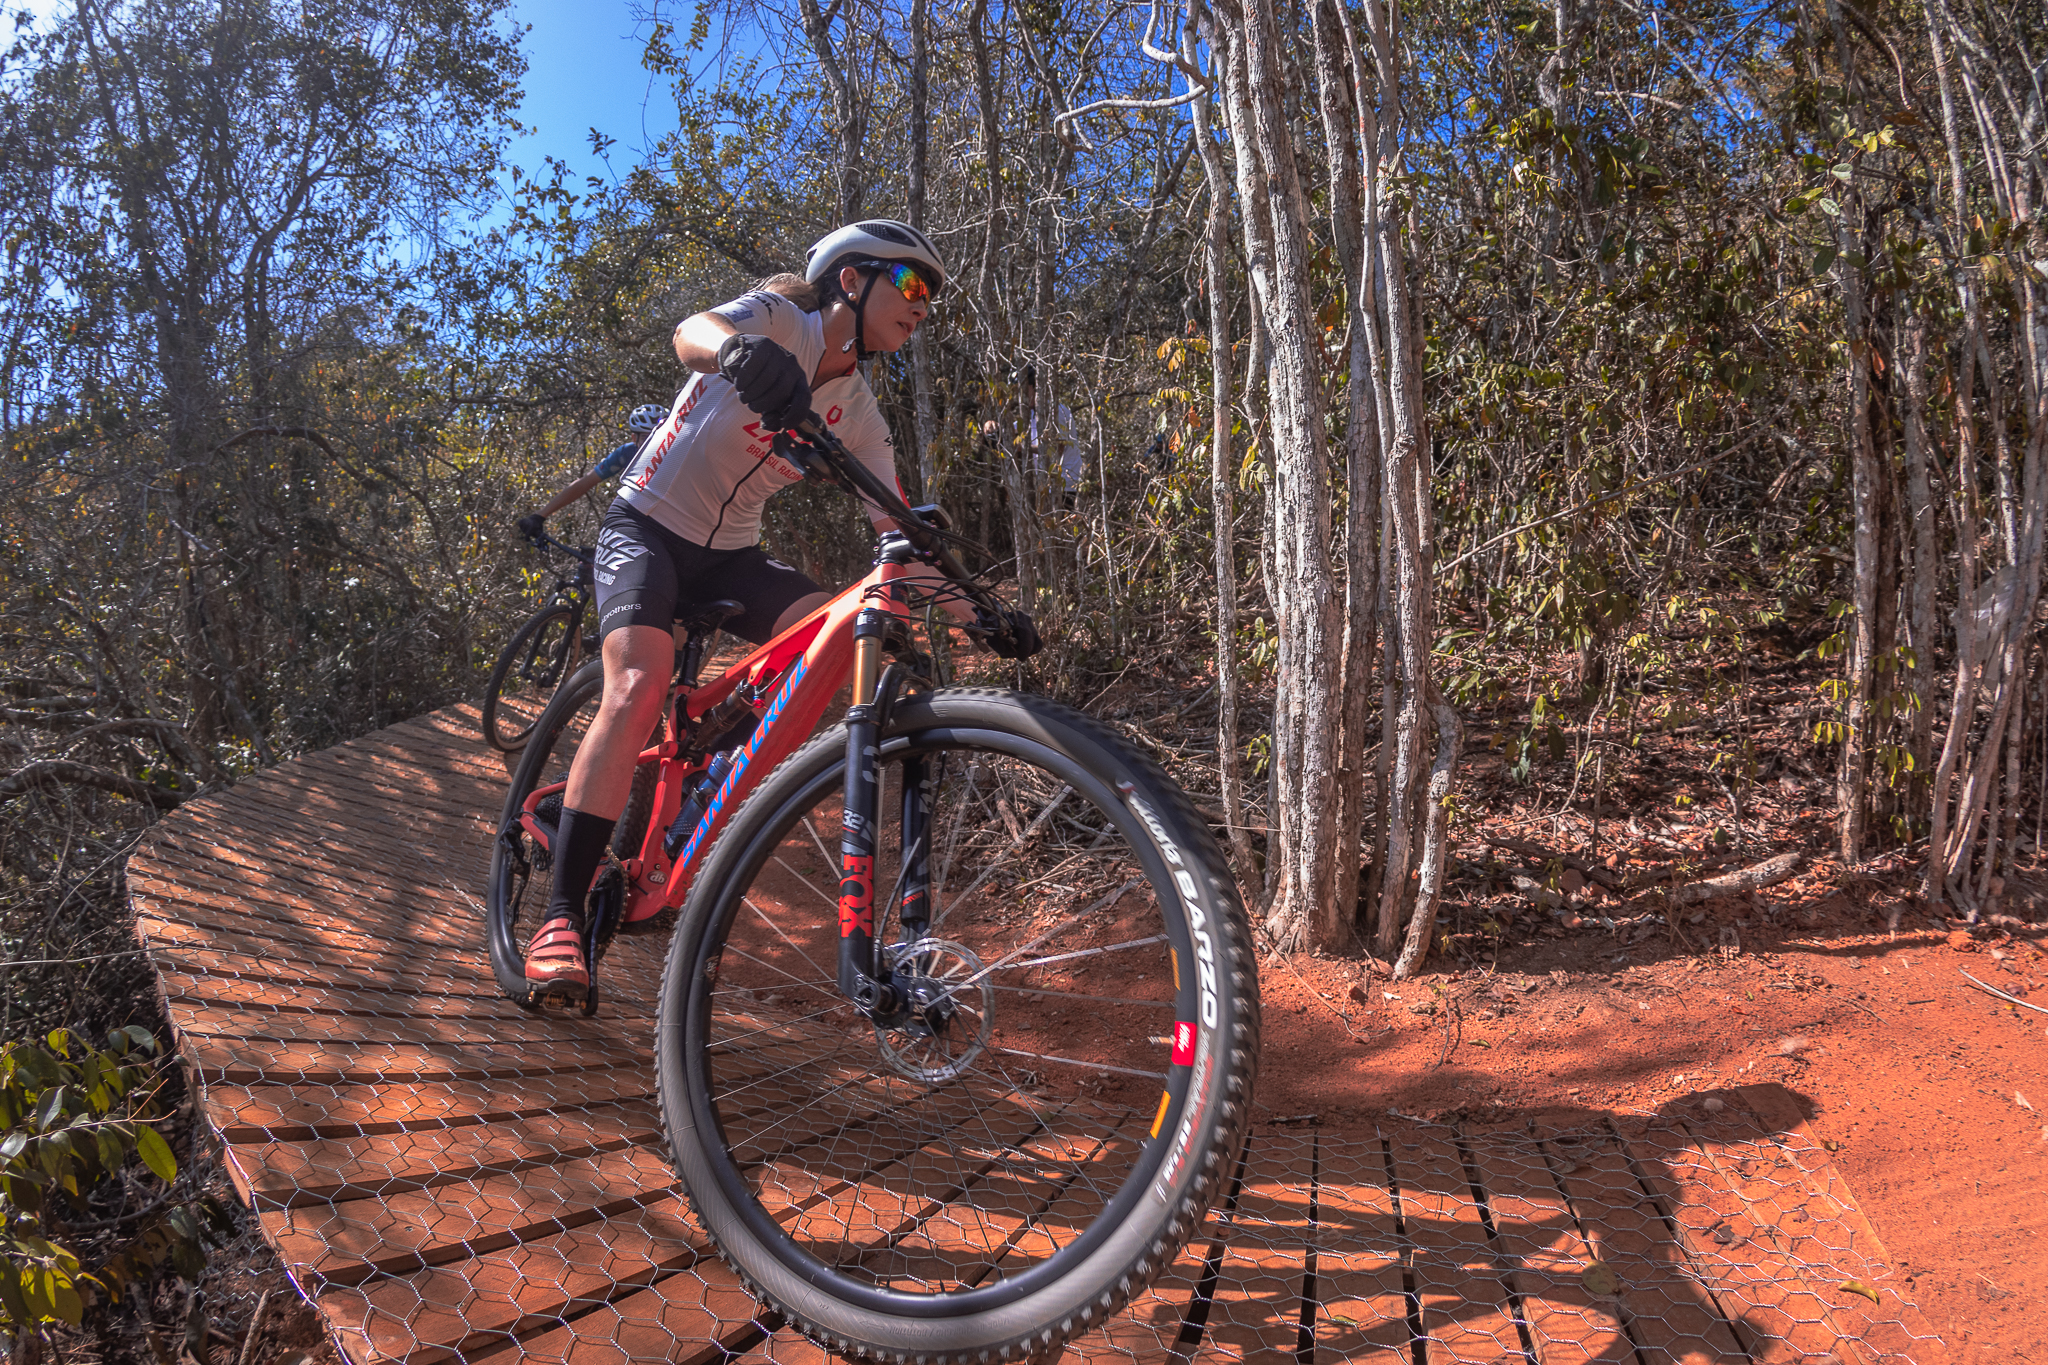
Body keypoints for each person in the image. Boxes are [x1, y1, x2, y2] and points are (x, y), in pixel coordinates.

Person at [520, 220, 1035, 1006]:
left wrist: (981, 612)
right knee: (637, 684)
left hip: (730, 553)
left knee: (838, 630)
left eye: (932, 297)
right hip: (648, 526)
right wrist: (733, 352)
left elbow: (896, 534)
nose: (924, 307)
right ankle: (558, 914)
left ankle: (704, 786)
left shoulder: (858, 413)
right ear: (853, 280)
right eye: (914, 286)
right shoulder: (778, 319)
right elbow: (690, 330)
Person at [984, 364, 1085, 510]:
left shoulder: (1057, 411)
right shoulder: (1030, 414)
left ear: (1035, 387)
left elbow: (1056, 449)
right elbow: (1006, 430)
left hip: (1064, 487)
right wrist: (990, 425)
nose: (1020, 396)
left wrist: (1020, 448)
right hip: (1042, 487)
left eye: (1023, 390)